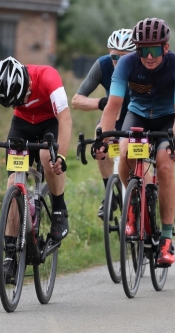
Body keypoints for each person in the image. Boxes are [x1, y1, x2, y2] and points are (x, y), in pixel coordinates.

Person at [93, 18, 175, 266]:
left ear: (166, 48)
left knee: (164, 163)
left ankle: (167, 240)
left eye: (155, 50)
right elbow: (113, 106)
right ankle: (133, 205)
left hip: (168, 117)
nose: (149, 56)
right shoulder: (126, 63)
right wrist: (105, 138)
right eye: (143, 50)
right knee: (125, 153)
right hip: (137, 114)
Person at [0, 56, 73, 274]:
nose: (20, 103)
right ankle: (9, 256)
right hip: (22, 124)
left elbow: (65, 119)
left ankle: (59, 211)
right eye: (13, 104)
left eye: (21, 99)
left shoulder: (48, 77)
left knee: (46, 155)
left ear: (29, 84)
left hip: (49, 121)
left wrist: (60, 156)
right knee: (14, 180)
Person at [71, 28, 136, 218]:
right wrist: (101, 103)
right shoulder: (103, 65)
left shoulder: (143, 66)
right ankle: (110, 194)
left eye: (125, 57)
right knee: (100, 139)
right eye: (115, 56)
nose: (118, 62)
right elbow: (76, 100)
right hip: (113, 114)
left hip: (137, 116)